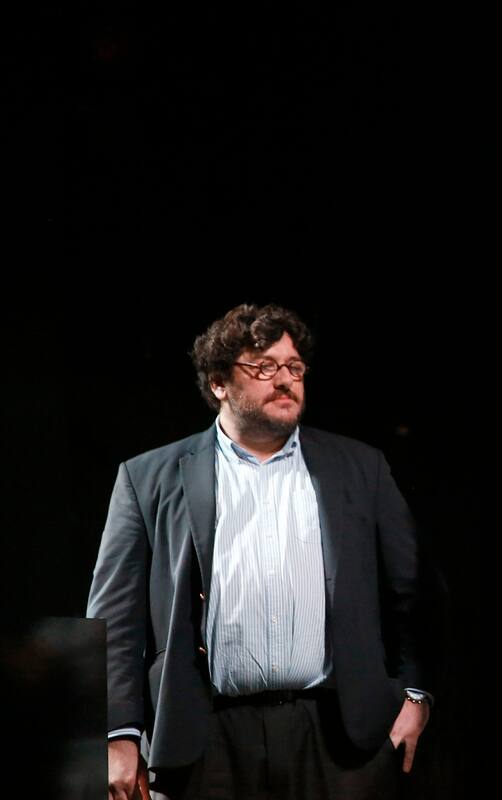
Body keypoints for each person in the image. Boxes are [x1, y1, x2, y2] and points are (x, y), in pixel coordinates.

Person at [88, 303, 431, 800]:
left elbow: (415, 592)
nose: (285, 379)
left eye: (294, 367)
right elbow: (113, 619)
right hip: (205, 738)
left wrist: (416, 696)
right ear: (219, 384)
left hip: (338, 740)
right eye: (264, 367)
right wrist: (116, 731)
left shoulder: (360, 467)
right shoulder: (147, 479)